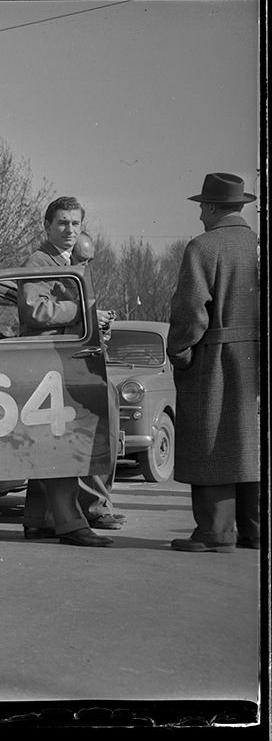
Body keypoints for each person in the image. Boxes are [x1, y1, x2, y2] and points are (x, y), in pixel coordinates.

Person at [18, 196, 120, 547]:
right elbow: (36, 311)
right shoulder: (39, 261)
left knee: (52, 440)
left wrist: (96, 323)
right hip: (49, 364)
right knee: (62, 443)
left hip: (64, 362)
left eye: (75, 223)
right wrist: (84, 313)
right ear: (47, 226)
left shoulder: (69, 263)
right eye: (62, 222)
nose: (70, 230)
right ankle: (69, 523)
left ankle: (38, 520)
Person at [167, 173, 260, 553]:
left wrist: (180, 353)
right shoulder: (258, 246)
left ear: (209, 207)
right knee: (251, 443)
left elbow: (191, 311)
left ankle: (216, 532)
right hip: (257, 359)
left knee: (213, 440)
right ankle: (256, 530)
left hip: (216, 358)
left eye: (201, 208)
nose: (200, 215)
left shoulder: (203, 247)